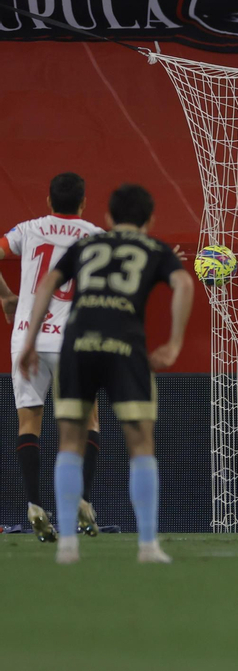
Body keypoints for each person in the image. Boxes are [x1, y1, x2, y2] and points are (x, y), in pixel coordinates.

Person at [19, 184, 193, 564]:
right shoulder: (153, 248)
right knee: (140, 443)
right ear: (150, 220)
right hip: (124, 346)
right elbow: (183, 283)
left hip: (78, 344)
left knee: (69, 440)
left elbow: (48, 283)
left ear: (109, 218)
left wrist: (29, 341)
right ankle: (147, 546)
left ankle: (67, 545)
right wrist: (174, 343)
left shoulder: (85, 245)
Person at [1, 172, 105, 542]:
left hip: (27, 338)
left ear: (48, 201)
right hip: (72, 342)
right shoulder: (95, 236)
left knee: (29, 423)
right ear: (84, 203)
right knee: (87, 421)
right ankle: (82, 500)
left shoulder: (28, 229)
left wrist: (5, 296)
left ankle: (34, 504)